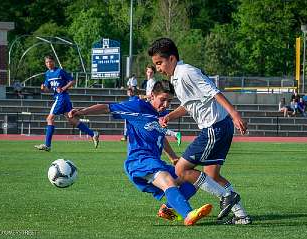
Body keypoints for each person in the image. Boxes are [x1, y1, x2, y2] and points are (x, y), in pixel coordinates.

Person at [69, 80, 212, 226]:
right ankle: (188, 214)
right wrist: (82, 112)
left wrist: (173, 157)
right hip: (139, 160)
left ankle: (168, 210)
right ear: (151, 96)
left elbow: (159, 136)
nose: (166, 105)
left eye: (169, 101)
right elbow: (107, 108)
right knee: (168, 180)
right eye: (163, 100)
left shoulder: (161, 114)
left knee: (192, 179)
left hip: (154, 161)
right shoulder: (137, 106)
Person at [148, 37, 251, 225]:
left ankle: (226, 197)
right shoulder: (177, 78)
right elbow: (190, 105)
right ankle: (241, 215)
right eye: (155, 65)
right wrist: (170, 116)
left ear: (172, 59)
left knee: (181, 169)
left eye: (159, 63)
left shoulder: (186, 72)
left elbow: (213, 91)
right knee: (212, 175)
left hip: (214, 127)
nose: (158, 68)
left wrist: (234, 113)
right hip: (220, 126)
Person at [34, 55, 99, 152]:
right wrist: (44, 88)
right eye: (47, 62)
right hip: (61, 98)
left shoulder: (60, 71)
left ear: (54, 62)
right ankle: (93, 134)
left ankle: (47, 145)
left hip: (61, 98)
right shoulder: (47, 74)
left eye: (50, 61)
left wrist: (64, 88)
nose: (49, 64)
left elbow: (72, 81)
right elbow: (48, 88)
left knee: (50, 118)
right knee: (71, 120)